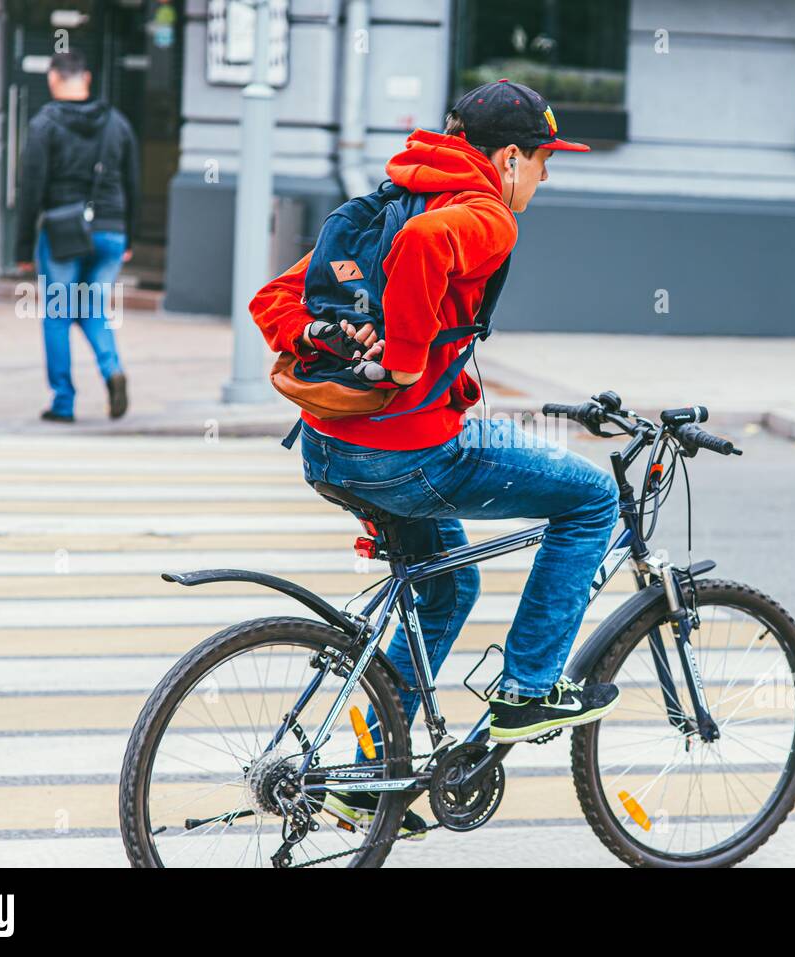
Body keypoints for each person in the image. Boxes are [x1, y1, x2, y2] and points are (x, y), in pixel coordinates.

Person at [250, 80, 621, 834]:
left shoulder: (384, 202)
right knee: (590, 499)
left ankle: (366, 774)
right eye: (544, 160)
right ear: (509, 157)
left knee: (447, 591)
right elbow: (427, 253)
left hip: (330, 450)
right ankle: (527, 690)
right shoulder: (485, 214)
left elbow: (273, 299)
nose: (544, 177)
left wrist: (322, 336)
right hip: (409, 453)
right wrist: (406, 363)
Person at [15, 49, 138, 423]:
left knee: (57, 313)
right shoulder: (117, 123)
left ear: (54, 79)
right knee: (94, 307)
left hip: (63, 232)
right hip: (111, 231)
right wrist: (128, 236)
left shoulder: (44, 125)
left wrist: (22, 247)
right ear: (86, 79)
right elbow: (133, 182)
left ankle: (63, 401)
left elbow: (30, 189)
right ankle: (111, 369)